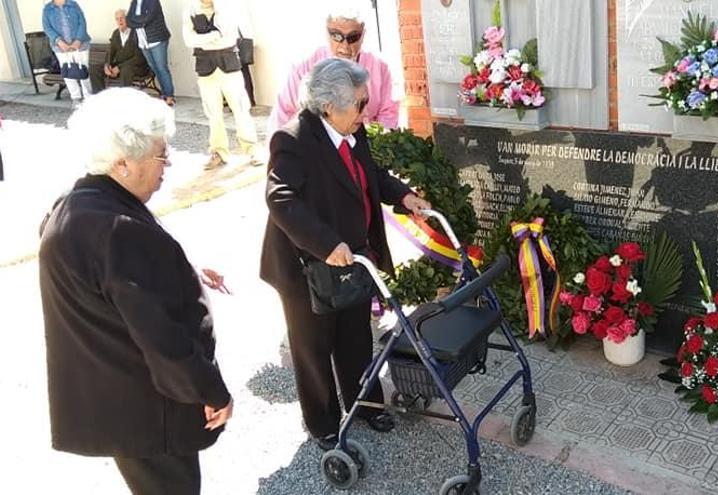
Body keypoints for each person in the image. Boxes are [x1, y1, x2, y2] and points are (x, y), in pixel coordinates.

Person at [39, 88, 233, 495]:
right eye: (161, 155)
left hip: (123, 405)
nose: (167, 166)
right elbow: (161, 337)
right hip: (150, 409)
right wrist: (210, 389)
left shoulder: (74, 206)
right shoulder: (116, 230)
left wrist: (184, 269)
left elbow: (109, 283)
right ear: (123, 163)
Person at [260, 58, 430, 451]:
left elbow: (371, 175)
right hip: (307, 266)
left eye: (365, 101)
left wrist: (403, 196)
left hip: (352, 259)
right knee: (314, 348)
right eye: (358, 103)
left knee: (355, 338)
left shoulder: (353, 131)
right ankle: (322, 424)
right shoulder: (294, 140)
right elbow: (280, 199)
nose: (365, 111)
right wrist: (324, 243)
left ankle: (365, 406)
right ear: (327, 106)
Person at [266, 5, 399, 136]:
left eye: (353, 37)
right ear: (326, 33)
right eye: (337, 36)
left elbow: (388, 114)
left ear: (363, 34)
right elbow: (282, 116)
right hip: (315, 149)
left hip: (364, 146)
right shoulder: (304, 66)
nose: (345, 45)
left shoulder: (380, 67)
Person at [182, 0, 261, 170]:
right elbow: (188, 39)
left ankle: (251, 148)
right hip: (205, 68)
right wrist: (213, 36)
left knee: (240, 109)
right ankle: (218, 152)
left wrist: (203, 40)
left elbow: (229, 37)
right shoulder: (190, 9)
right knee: (213, 112)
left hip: (229, 65)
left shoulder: (227, 6)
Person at [42, 0, 92, 106]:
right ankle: (76, 98)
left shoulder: (73, 4)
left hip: (80, 45)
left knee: (84, 71)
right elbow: (47, 28)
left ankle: (88, 98)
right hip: (61, 47)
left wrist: (78, 40)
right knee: (68, 74)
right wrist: (59, 41)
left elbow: (82, 22)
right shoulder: (47, 9)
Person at [126, 0, 176, 106]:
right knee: (155, 68)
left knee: (162, 68)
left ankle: (170, 96)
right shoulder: (134, 2)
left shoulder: (153, 1)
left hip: (157, 40)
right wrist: (139, 20)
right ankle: (164, 94)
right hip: (143, 42)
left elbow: (148, 18)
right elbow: (128, 20)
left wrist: (135, 20)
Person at [97, 9, 149, 91]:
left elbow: (140, 57)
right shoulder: (116, 33)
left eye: (122, 18)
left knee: (126, 70)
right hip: (120, 66)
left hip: (138, 67)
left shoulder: (137, 32)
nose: (119, 21)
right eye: (117, 19)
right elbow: (111, 51)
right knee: (96, 69)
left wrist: (119, 68)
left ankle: (123, 100)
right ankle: (100, 96)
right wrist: (107, 65)